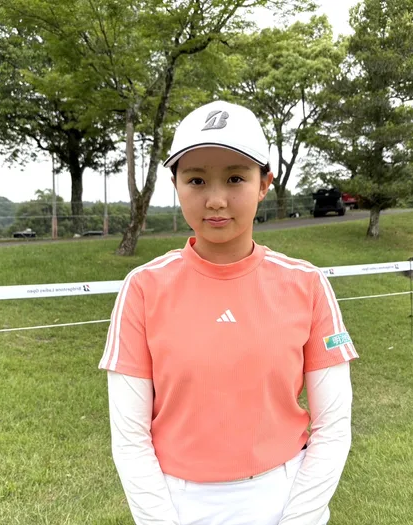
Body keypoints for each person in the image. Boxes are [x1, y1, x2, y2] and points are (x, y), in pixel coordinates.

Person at [98, 100, 358, 525]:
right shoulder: (143, 288)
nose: (216, 200)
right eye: (196, 180)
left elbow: (333, 426)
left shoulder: (307, 284)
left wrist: (298, 518)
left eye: (236, 178)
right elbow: (130, 439)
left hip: (285, 494)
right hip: (178, 503)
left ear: (264, 184)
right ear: (176, 184)